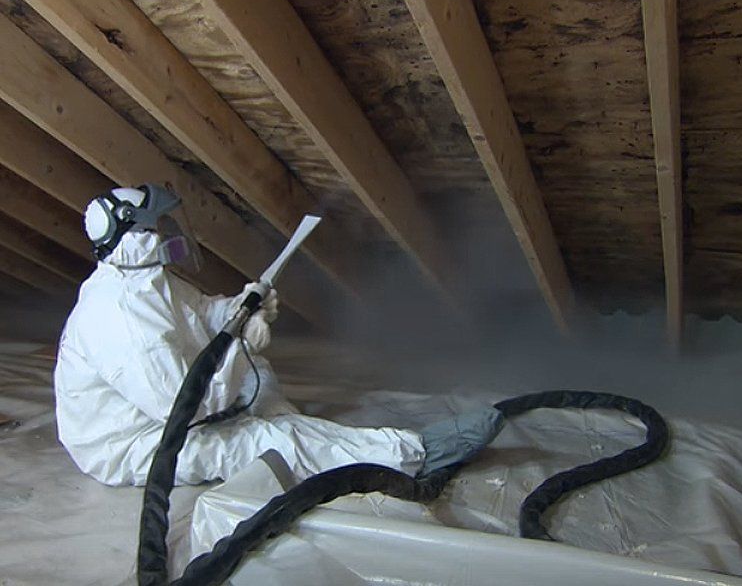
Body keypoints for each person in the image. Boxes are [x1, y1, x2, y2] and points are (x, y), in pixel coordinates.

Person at [55, 185, 501, 487]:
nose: (170, 233)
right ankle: (414, 455)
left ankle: (302, 439)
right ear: (135, 235)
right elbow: (188, 406)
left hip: (159, 408)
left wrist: (240, 305)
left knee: (257, 379)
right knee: (268, 441)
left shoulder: (144, 278)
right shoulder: (119, 318)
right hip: (135, 443)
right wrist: (239, 340)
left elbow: (199, 315)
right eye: (158, 226)